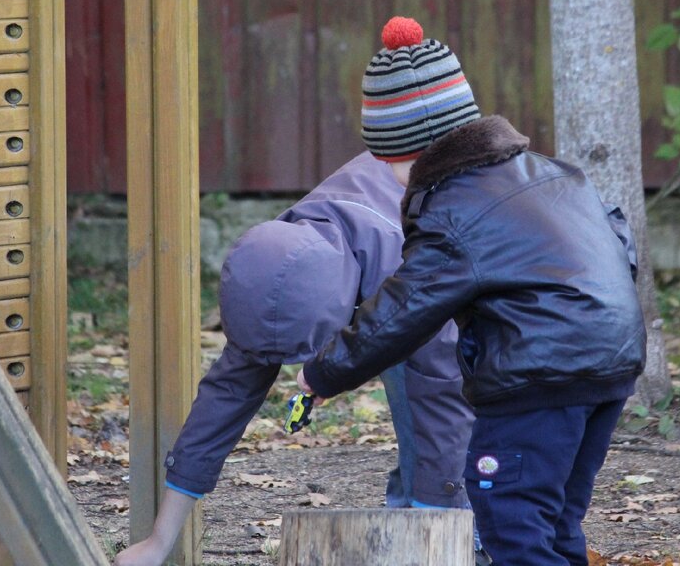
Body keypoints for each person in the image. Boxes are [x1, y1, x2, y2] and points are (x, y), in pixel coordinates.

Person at [299, 17, 646, 566]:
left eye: (386, 164)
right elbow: (618, 240)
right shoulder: (554, 173)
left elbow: (405, 308)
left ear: (406, 155)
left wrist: (324, 372)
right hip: (611, 365)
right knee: (554, 522)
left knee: (511, 528)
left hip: (535, 381)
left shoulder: (454, 210)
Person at [114, 151, 476, 566]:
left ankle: (462, 533)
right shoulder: (274, 265)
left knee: (437, 407)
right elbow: (225, 399)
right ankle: (411, 527)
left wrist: (440, 537)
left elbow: (441, 405)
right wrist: (159, 541)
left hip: (471, 265)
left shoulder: (411, 274)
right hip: (374, 269)